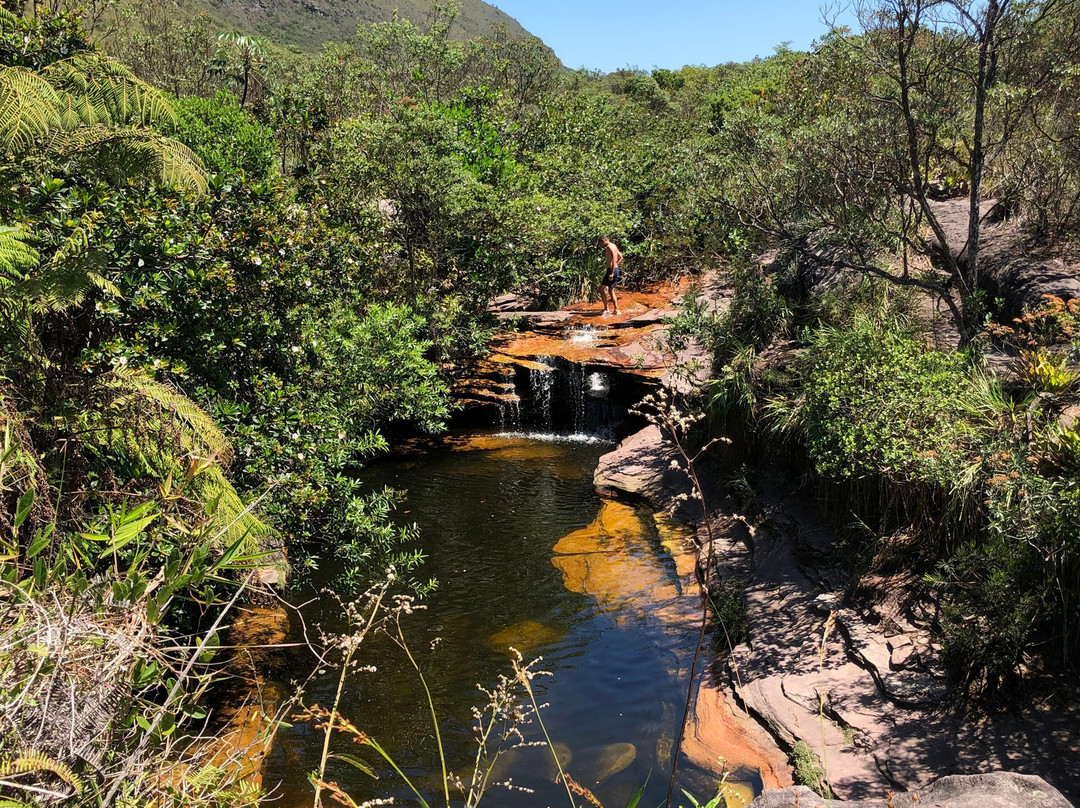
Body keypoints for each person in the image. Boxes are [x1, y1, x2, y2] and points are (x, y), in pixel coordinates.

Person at [597, 236, 623, 314]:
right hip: (614, 269)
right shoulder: (613, 245)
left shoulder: (609, 247)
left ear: (604, 241)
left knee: (601, 289)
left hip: (611, 270)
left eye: (600, 243)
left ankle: (607, 309)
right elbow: (621, 257)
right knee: (610, 290)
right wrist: (616, 267)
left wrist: (612, 272)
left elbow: (615, 258)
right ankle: (615, 309)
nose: (600, 245)